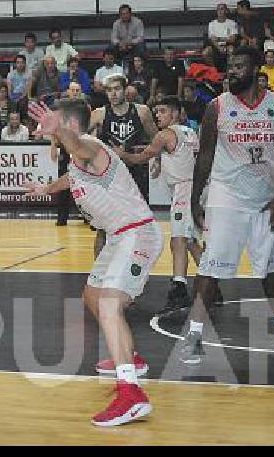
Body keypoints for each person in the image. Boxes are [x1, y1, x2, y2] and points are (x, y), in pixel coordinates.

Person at [24, 99, 163, 427]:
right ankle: (133, 360)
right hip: (118, 237)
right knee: (93, 297)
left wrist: (58, 130)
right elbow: (72, 179)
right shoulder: (77, 162)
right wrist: (46, 188)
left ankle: (131, 394)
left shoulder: (92, 147)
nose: (47, 130)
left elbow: (80, 147)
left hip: (137, 233)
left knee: (110, 305)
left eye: (54, 122)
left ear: (69, 124)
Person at [178, 46, 274, 366]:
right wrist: (195, 198)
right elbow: (205, 156)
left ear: (256, 70)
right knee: (211, 267)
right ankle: (194, 335)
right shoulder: (217, 107)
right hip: (226, 196)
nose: (233, 71)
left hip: (265, 198)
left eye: (240, 66)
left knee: (272, 268)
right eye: (231, 66)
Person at [112, 97, 205, 313]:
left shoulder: (164, 135)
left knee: (178, 240)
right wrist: (159, 161)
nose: (158, 116)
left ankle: (179, 288)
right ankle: (212, 284)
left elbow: (141, 157)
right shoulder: (190, 132)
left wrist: (121, 154)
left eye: (162, 111)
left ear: (174, 113)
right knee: (190, 241)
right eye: (156, 112)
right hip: (197, 188)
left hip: (184, 189)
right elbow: (171, 152)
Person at [88, 74, 158, 258]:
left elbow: (156, 139)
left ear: (125, 89)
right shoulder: (99, 114)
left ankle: (135, 267)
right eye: (109, 90)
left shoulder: (141, 112)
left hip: (136, 175)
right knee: (103, 227)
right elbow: (79, 138)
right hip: (109, 178)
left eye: (117, 89)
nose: (113, 93)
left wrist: (157, 160)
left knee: (140, 226)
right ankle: (99, 272)